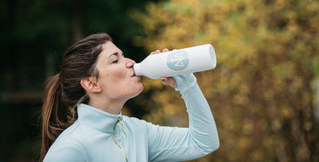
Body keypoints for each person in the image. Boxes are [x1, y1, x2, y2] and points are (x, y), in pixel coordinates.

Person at [40, 33, 219, 162]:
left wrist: (187, 84)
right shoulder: (71, 148)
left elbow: (203, 142)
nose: (131, 62)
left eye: (123, 55)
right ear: (92, 83)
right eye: (115, 60)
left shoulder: (137, 132)